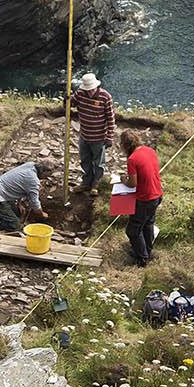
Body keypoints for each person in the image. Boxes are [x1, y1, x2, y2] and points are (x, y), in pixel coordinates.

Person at [0, 153, 53, 236]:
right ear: (43, 171)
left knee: (17, 213)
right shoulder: (33, 181)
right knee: (15, 226)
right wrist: (42, 214)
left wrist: (19, 203)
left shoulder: (30, 165)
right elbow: (35, 204)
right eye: (46, 176)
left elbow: (18, 183)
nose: (46, 178)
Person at [120, 129, 162, 268]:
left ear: (125, 146)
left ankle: (142, 258)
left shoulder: (132, 159)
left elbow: (133, 183)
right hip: (157, 194)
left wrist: (123, 180)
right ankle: (147, 251)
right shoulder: (149, 150)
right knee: (148, 224)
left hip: (145, 199)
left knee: (133, 230)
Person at [72, 73, 116, 190]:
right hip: (84, 135)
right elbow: (71, 104)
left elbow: (111, 119)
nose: (90, 92)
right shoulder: (80, 93)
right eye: (88, 90)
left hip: (99, 137)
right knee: (85, 160)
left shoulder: (105, 97)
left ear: (96, 86)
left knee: (98, 162)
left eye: (91, 89)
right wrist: (66, 100)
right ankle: (86, 182)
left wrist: (109, 137)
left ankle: (97, 183)